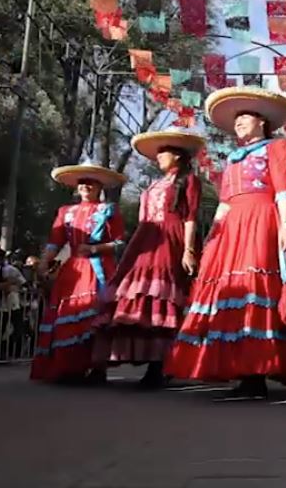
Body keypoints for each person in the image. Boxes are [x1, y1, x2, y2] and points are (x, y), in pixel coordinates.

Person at [165, 87, 286, 401]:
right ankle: (242, 369)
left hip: (261, 220)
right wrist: (212, 235)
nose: (238, 122)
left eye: (245, 117)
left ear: (262, 121)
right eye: (236, 119)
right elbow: (224, 201)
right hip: (232, 227)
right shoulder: (232, 158)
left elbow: (283, 189)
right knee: (228, 292)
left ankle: (257, 373)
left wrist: (285, 226)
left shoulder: (276, 147)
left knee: (254, 287)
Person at [94, 130, 204, 388]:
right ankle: (134, 359)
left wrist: (188, 249)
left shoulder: (189, 181)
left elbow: (190, 217)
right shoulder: (155, 183)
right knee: (137, 296)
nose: (159, 157)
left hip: (170, 238)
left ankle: (161, 366)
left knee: (163, 296)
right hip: (144, 240)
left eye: (163, 152)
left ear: (178, 156)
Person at [29, 164, 127, 384]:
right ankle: (69, 367)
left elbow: (120, 242)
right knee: (68, 315)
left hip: (99, 268)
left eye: (91, 182)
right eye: (82, 182)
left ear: (99, 186)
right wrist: (44, 262)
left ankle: (98, 368)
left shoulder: (109, 210)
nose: (85, 186)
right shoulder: (66, 212)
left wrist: (95, 248)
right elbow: (55, 242)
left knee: (96, 317)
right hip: (73, 272)